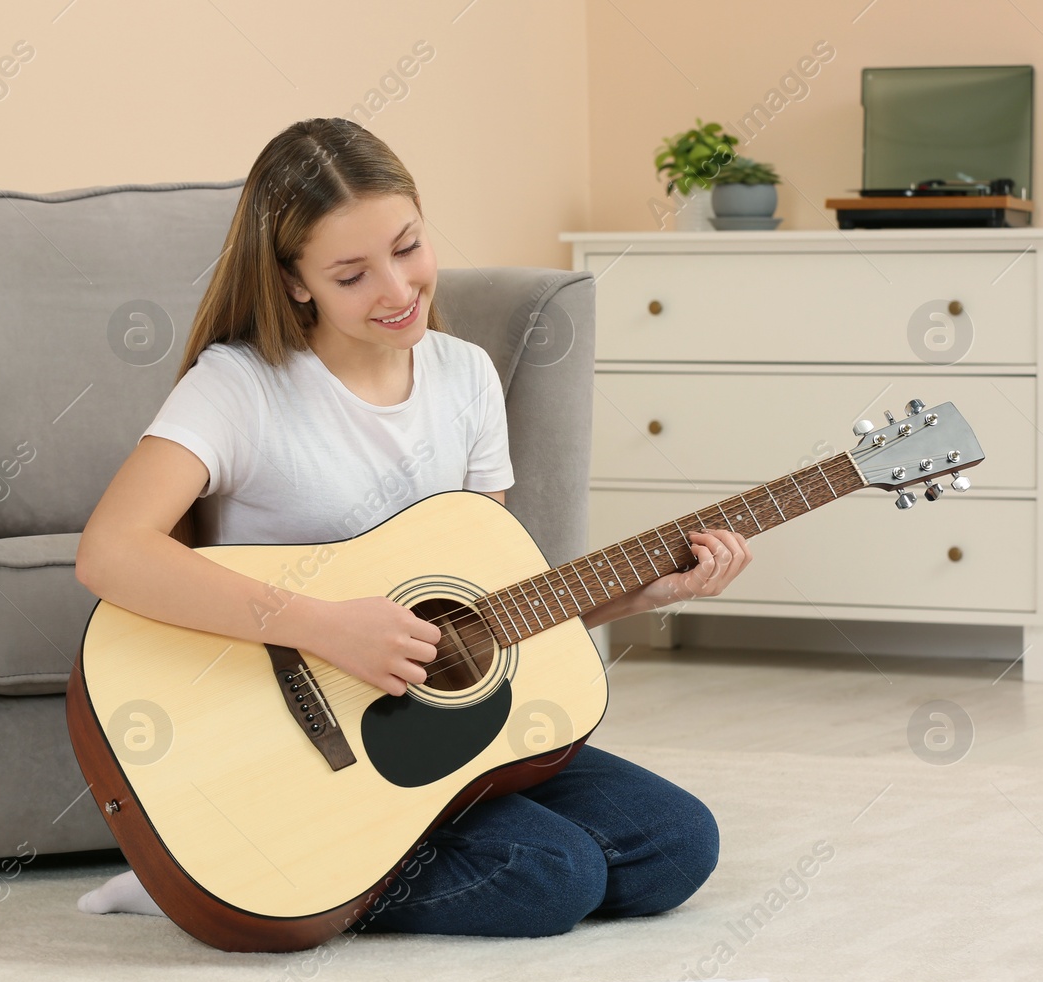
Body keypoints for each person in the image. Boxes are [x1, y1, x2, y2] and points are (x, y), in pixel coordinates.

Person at [71, 117, 751, 938]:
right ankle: (225, 876)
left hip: (435, 732)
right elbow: (111, 550)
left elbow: (488, 616)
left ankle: (353, 851)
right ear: (295, 282)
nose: (396, 290)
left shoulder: (464, 375)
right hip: (304, 739)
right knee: (552, 874)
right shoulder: (240, 386)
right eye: (352, 274)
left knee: (677, 846)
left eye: (408, 248)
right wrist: (324, 626)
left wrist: (635, 596)